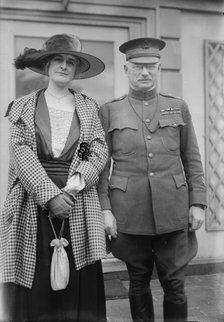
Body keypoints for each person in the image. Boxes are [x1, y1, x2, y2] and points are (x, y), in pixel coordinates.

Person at [0, 33, 108, 322]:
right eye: (58, 59)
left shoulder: (88, 107)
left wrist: (71, 190)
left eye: (70, 61)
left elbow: (95, 149)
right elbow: (20, 151)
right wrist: (50, 196)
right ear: (47, 65)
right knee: (33, 275)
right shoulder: (23, 106)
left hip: (77, 199)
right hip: (32, 200)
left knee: (78, 276)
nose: (63, 66)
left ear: (77, 69)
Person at [98, 37, 207, 322]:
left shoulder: (178, 107)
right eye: (138, 66)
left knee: (175, 283)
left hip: (173, 209)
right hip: (129, 212)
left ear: (159, 68)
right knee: (137, 280)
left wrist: (198, 202)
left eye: (151, 66)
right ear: (126, 69)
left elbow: (191, 157)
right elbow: (101, 166)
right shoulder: (109, 110)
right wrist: (105, 209)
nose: (145, 72)